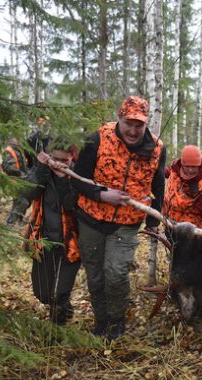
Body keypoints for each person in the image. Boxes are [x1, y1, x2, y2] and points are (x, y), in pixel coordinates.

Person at [72, 96, 166, 341]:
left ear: (146, 124)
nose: (133, 130)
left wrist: (154, 222)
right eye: (128, 124)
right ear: (119, 119)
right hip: (90, 218)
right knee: (95, 275)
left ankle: (116, 320)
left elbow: (159, 185)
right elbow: (77, 179)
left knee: (115, 273)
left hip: (127, 223)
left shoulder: (157, 148)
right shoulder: (97, 138)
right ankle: (101, 320)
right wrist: (102, 195)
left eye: (139, 125)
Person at [22, 143, 81, 325]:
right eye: (55, 159)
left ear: (71, 159)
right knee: (43, 294)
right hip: (43, 240)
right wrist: (41, 169)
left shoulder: (77, 176)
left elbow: (72, 206)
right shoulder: (41, 171)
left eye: (65, 160)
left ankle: (57, 330)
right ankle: (63, 306)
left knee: (59, 294)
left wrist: (64, 179)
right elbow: (27, 193)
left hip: (71, 244)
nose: (58, 164)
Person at [163, 145, 202, 231]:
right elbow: (168, 172)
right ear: (182, 164)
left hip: (191, 234)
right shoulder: (175, 170)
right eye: (187, 166)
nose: (190, 170)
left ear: (199, 165)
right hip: (169, 225)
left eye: (194, 167)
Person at [3, 137, 31, 225]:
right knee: (21, 202)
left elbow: (23, 165)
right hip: (15, 180)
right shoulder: (9, 151)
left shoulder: (18, 150)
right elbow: (7, 167)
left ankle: (18, 220)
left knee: (22, 201)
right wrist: (20, 173)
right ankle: (10, 222)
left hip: (21, 180)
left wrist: (27, 174)